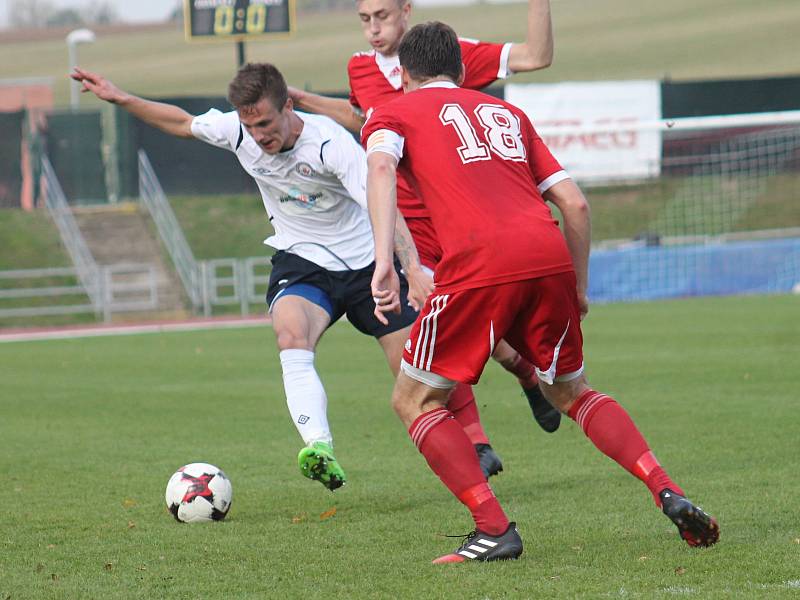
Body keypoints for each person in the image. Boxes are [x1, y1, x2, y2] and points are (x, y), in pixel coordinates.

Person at [362, 22, 720, 563]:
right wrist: (577, 286)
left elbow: (382, 166)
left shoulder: (393, 111)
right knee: (572, 392)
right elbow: (574, 204)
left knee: (413, 399)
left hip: (479, 263)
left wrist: (385, 262)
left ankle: (494, 529)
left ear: (405, 74)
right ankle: (665, 488)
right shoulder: (509, 115)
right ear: (461, 71)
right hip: (547, 254)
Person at [70, 63, 428, 492]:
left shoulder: (331, 145)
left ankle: (471, 442)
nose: (258, 135)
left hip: (364, 264)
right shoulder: (237, 132)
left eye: (265, 123)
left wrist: (409, 267)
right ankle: (319, 447)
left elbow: (381, 205)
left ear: (288, 107)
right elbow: (181, 123)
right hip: (302, 259)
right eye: (249, 124)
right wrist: (121, 97)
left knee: (413, 372)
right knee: (291, 336)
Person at [290, 0, 561, 480]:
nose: (374, 29)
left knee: (489, 339)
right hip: (409, 232)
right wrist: (300, 98)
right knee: (429, 331)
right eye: (364, 19)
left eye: (382, 17)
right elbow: (362, 118)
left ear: (406, 11)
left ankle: (524, 375)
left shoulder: (447, 55)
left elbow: (536, 55)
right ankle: (478, 442)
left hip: (463, 224)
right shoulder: (359, 68)